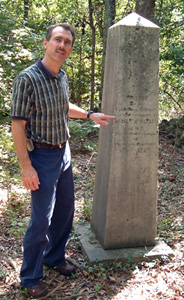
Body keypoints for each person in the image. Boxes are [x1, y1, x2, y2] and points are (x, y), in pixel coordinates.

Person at [11, 23, 116, 298]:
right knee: (41, 219)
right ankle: (30, 276)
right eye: (57, 40)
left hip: (63, 152)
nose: (62, 45)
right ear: (46, 43)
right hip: (42, 156)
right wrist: (26, 166)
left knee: (65, 211)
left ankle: (54, 257)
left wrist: (90, 115)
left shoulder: (61, 76)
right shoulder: (27, 78)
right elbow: (18, 124)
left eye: (67, 42)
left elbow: (64, 106)